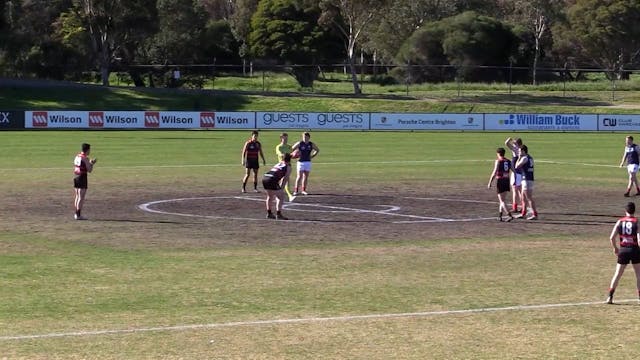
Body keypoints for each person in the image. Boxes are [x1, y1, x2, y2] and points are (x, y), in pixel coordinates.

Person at [606, 202, 640, 304]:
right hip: (634, 250)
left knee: (617, 274)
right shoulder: (636, 222)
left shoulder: (620, 221)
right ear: (634, 211)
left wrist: (615, 248)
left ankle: (610, 297)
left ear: (625, 211)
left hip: (623, 250)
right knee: (638, 275)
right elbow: (639, 240)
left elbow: (611, 237)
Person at [262, 153, 293, 220]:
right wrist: (282, 188)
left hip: (265, 177)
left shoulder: (279, 163)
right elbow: (285, 178)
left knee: (270, 196)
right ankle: (279, 214)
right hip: (272, 179)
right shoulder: (288, 167)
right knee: (280, 197)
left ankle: (269, 213)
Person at [487, 147, 514, 222]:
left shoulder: (498, 161)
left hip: (500, 181)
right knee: (502, 199)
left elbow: (494, 172)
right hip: (506, 180)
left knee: (502, 201)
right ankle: (500, 215)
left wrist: (490, 182)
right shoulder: (508, 161)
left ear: (498, 154)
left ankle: (509, 215)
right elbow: (513, 170)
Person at [73, 143, 97, 220]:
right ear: (87, 150)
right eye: (89, 150)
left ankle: (76, 213)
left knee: (77, 196)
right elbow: (89, 170)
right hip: (82, 177)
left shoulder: (77, 156)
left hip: (76, 176)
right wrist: (92, 163)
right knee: (81, 197)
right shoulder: (85, 158)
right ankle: (78, 215)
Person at [514, 145, 538, 220]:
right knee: (523, 198)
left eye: (520, 151)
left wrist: (518, 158)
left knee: (529, 198)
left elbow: (516, 166)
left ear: (524, 151)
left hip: (526, 180)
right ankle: (523, 213)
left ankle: (535, 214)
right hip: (528, 179)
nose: (519, 152)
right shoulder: (530, 157)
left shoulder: (524, 158)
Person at [505, 137, 524, 213]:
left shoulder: (516, 150)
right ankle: (523, 206)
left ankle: (515, 207)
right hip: (519, 173)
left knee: (515, 190)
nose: (513, 145)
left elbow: (506, 143)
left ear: (517, 144)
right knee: (519, 191)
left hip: (516, 173)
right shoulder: (521, 151)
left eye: (514, 143)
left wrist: (510, 139)